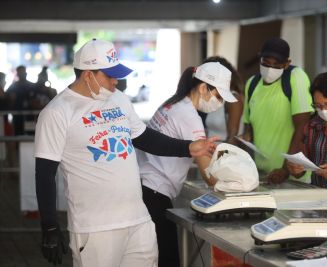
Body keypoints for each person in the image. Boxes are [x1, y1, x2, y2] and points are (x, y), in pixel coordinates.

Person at [34, 39, 218, 267]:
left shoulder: (118, 99)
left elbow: (144, 138)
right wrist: (49, 225)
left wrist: (188, 147)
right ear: (88, 75)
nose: (116, 81)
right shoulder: (57, 112)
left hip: (138, 220)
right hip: (95, 229)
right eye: (109, 75)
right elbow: (44, 174)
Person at [137, 62, 236, 267]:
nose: (220, 103)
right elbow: (209, 175)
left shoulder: (172, 104)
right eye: (218, 96)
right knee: (167, 260)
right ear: (203, 88)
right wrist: (238, 183)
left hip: (144, 189)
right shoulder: (190, 118)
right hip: (155, 195)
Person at [242, 37, 314, 184]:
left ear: (287, 64)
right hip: (263, 175)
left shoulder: (296, 78)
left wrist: (285, 170)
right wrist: (247, 135)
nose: (270, 69)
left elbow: (303, 126)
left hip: (293, 178)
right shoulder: (252, 84)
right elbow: (249, 124)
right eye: (266, 63)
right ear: (259, 59)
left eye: (277, 65)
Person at [203, 56, 244, 144]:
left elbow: (232, 139)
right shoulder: (214, 97)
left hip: (222, 155)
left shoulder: (233, 99)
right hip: (209, 152)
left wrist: (219, 156)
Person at [6, 65, 36, 135]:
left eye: (23, 72)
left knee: (31, 135)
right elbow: (7, 100)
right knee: (17, 135)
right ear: (17, 74)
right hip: (17, 117)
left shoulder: (32, 86)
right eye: (20, 72)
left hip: (30, 116)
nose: (22, 74)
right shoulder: (13, 87)